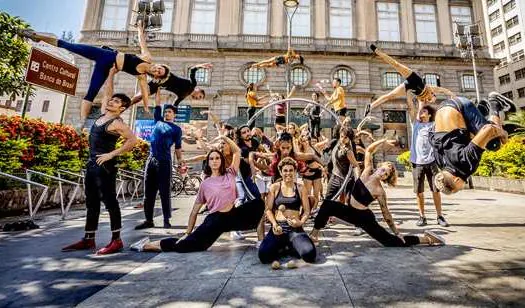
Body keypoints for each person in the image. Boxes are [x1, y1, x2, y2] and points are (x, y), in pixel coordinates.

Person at [131, 135, 265, 253]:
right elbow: (195, 211)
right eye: (211, 158)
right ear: (208, 162)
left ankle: (260, 239)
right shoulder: (205, 184)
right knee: (186, 245)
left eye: (217, 158)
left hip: (232, 216)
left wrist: (224, 138)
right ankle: (146, 245)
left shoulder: (230, 173)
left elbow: (237, 151)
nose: (215, 161)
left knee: (258, 204)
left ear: (221, 160)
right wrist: (187, 232)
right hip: (215, 220)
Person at [20, 22, 167, 127]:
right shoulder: (147, 57)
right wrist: (140, 30)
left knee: (91, 92)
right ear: (158, 65)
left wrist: (147, 107)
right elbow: (142, 42)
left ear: (155, 77)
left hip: (107, 67)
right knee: (69, 45)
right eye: (159, 68)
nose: (157, 70)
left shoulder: (141, 76)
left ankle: (81, 122)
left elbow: (145, 93)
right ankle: (35, 36)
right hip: (105, 55)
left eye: (158, 73)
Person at [310, 139, 445, 248]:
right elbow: (369, 150)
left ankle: (427, 239)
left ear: (386, 178)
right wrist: (383, 141)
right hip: (349, 211)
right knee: (327, 205)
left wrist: (397, 232)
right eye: (383, 170)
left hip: (364, 218)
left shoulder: (380, 191)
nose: (383, 174)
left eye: (386, 174)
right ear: (379, 166)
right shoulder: (367, 170)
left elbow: (386, 214)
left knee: (392, 242)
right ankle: (314, 235)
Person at [61, 67, 137, 254]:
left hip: (106, 166)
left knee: (110, 202)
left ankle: (116, 240)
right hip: (92, 164)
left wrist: (112, 154)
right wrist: (110, 74)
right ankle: (88, 238)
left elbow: (132, 141)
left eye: (116, 101)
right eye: (112, 100)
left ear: (123, 108)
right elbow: (108, 91)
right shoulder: (104, 114)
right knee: (92, 201)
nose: (111, 101)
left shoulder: (118, 123)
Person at [430, 92, 514, 194]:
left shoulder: (465, 164)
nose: (462, 186)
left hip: (461, 107)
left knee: (494, 144)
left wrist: (503, 134)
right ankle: (480, 110)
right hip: (441, 109)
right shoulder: (440, 163)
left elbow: (489, 129)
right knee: (472, 139)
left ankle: (494, 102)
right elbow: (433, 135)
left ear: (456, 180)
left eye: (459, 188)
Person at [135, 90, 183, 230]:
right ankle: (148, 220)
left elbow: (178, 148)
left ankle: (166, 219)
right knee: (148, 192)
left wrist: (180, 162)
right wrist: (158, 89)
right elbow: (157, 103)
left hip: (165, 162)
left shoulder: (176, 130)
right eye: (166, 111)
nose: (167, 113)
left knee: (164, 192)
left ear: (174, 115)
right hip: (151, 161)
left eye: (169, 112)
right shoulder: (157, 121)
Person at [364, 44, 454, 117]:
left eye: (430, 101)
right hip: (413, 77)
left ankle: (370, 106)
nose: (429, 100)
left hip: (408, 87)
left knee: (389, 96)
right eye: (431, 98)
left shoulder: (422, 100)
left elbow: (418, 110)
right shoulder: (431, 89)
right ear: (432, 94)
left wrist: (418, 115)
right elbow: (444, 90)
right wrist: (452, 96)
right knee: (396, 64)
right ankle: (377, 51)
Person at [258, 157, 316, 269]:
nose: (288, 173)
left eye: (291, 170)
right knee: (263, 256)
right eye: (285, 170)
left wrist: (300, 222)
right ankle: (285, 247)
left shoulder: (300, 188)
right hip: (278, 228)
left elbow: (307, 211)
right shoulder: (274, 187)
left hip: (295, 229)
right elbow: (268, 209)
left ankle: (289, 246)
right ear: (280, 172)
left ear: (295, 171)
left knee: (310, 255)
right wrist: (274, 224)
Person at [407, 102, 447, 227]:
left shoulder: (434, 125)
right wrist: (420, 99)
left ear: (429, 115)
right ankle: (422, 216)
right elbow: (413, 107)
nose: (421, 113)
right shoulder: (415, 124)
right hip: (417, 163)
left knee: (436, 190)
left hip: (432, 162)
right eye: (421, 111)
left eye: (424, 111)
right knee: (419, 192)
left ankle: (439, 216)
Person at [131, 62, 211, 108]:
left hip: (159, 86)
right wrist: (200, 66)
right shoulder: (193, 84)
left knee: (139, 98)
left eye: (199, 99)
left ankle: (125, 106)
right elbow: (192, 70)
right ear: (198, 89)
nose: (197, 98)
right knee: (140, 95)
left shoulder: (182, 96)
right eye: (200, 96)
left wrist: (173, 112)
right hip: (164, 77)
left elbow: (175, 104)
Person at [325, 127, 360, 201]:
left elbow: (355, 165)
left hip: (345, 180)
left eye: (345, 137)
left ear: (349, 139)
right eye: (341, 136)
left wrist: (357, 179)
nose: (343, 139)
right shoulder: (336, 143)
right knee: (327, 201)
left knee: (346, 202)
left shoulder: (348, 151)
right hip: (334, 178)